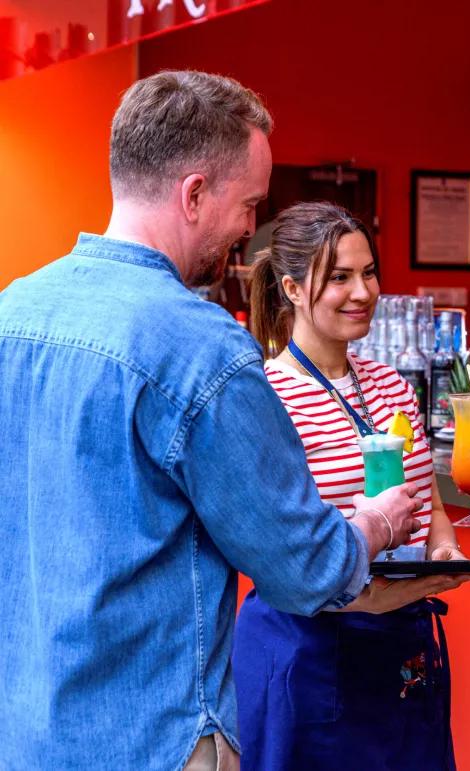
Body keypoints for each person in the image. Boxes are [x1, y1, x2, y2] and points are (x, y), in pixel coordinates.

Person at [0, 71, 421, 770]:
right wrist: (377, 523)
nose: (251, 229)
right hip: (155, 740)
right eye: (250, 204)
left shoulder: (13, 313)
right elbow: (304, 566)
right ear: (194, 192)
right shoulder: (201, 345)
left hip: (25, 730)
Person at [233, 200, 470, 770]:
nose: (362, 291)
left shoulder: (393, 386)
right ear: (290, 288)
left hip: (403, 643)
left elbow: (428, 501)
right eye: (338, 277)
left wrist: (444, 552)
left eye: (368, 273)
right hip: (308, 650)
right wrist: (357, 591)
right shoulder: (263, 396)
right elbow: (272, 543)